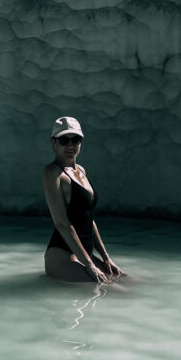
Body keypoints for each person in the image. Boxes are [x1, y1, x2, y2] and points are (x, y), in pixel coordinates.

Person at [43, 116, 124, 283]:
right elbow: (62, 223)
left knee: (125, 280)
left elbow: (89, 219)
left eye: (76, 140)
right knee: (109, 291)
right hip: (63, 256)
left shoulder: (81, 170)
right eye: (64, 140)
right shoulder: (52, 173)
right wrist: (89, 265)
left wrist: (105, 257)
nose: (71, 145)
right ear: (54, 142)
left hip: (85, 256)